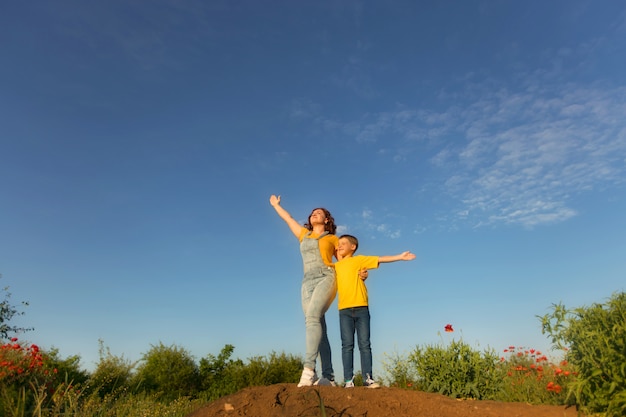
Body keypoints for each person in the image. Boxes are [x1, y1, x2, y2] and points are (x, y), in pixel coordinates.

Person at [269, 195, 340, 387]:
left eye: (319, 213)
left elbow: (345, 260)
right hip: (307, 281)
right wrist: (276, 205)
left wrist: (361, 273)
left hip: (327, 276)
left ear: (326, 220)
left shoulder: (333, 239)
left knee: (312, 318)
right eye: (312, 213)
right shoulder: (304, 235)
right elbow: (288, 219)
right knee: (318, 327)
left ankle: (308, 370)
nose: (314, 214)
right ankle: (329, 377)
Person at [334, 234, 416, 388]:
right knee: (347, 345)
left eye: (344, 243)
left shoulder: (359, 260)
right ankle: (348, 381)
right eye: (338, 244)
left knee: (364, 344)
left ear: (353, 247)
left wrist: (400, 256)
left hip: (361, 308)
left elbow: (380, 259)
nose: (340, 246)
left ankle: (367, 379)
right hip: (343, 310)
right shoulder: (335, 266)